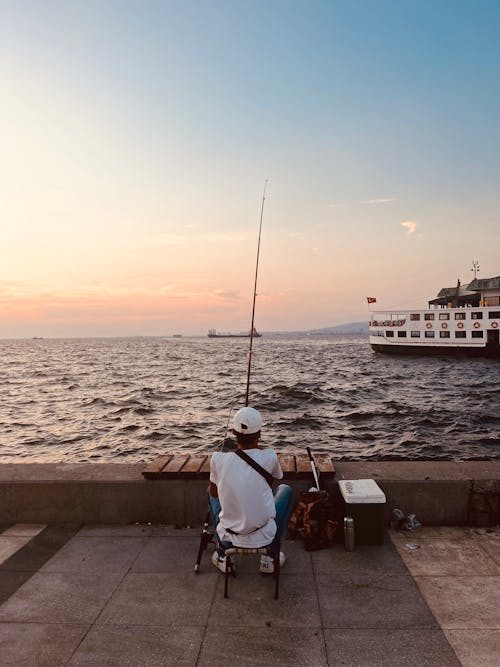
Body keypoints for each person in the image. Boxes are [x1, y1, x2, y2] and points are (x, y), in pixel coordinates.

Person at [208, 406, 293, 574]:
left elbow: (214, 494)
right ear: (259, 434)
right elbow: (274, 480)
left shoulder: (218, 459)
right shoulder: (270, 456)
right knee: (285, 489)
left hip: (229, 534)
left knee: (211, 492)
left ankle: (223, 555)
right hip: (263, 534)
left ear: (233, 431)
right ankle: (269, 557)